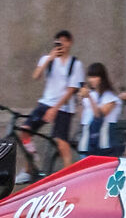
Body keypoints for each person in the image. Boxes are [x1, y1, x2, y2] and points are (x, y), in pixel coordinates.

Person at [26, 31, 85, 169]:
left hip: (64, 106)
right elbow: (36, 76)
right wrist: (49, 59)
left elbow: (71, 90)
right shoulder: (47, 59)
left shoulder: (75, 64)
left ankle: (68, 173)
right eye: (59, 41)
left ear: (70, 43)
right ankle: (30, 168)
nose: (62, 44)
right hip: (46, 102)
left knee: (61, 141)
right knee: (25, 130)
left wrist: (55, 109)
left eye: (65, 41)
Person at [77, 63, 124, 155]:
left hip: (104, 144)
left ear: (102, 78)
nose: (91, 80)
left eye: (95, 77)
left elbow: (99, 115)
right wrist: (80, 100)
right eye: (90, 77)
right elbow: (82, 118)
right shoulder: (91, 94)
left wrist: (89, 98)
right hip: (87, 143)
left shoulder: (110, 97)